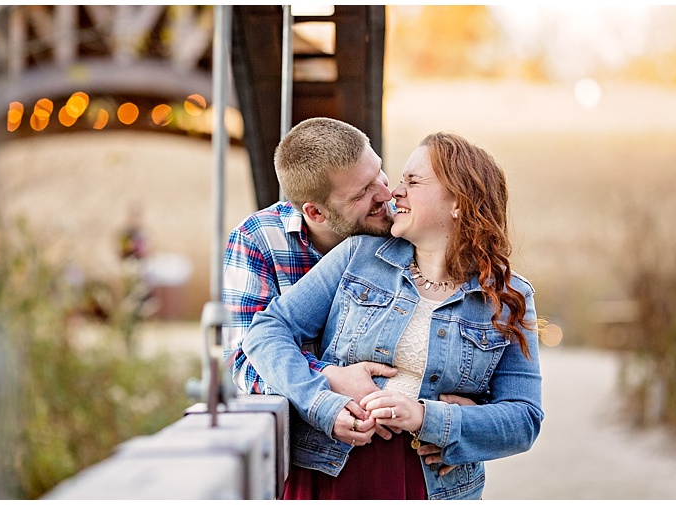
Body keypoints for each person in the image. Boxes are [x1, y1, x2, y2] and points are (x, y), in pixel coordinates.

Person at [241, 132, 542, 499]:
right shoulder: (359, 256)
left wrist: (426, 417)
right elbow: (266, 331)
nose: (393, 192)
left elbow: (524, 419)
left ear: (459, 202)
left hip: (433, 484)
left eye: (412, 181)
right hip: (331, 468)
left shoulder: (510, 297)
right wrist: (322, 402)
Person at [223, 117, 403, 402]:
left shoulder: (403, 225)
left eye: (378, 173)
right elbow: (243, 362)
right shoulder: (257, 240)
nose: (385, 194)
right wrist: (328, 377)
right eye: (362, 192)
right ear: (316, 213)